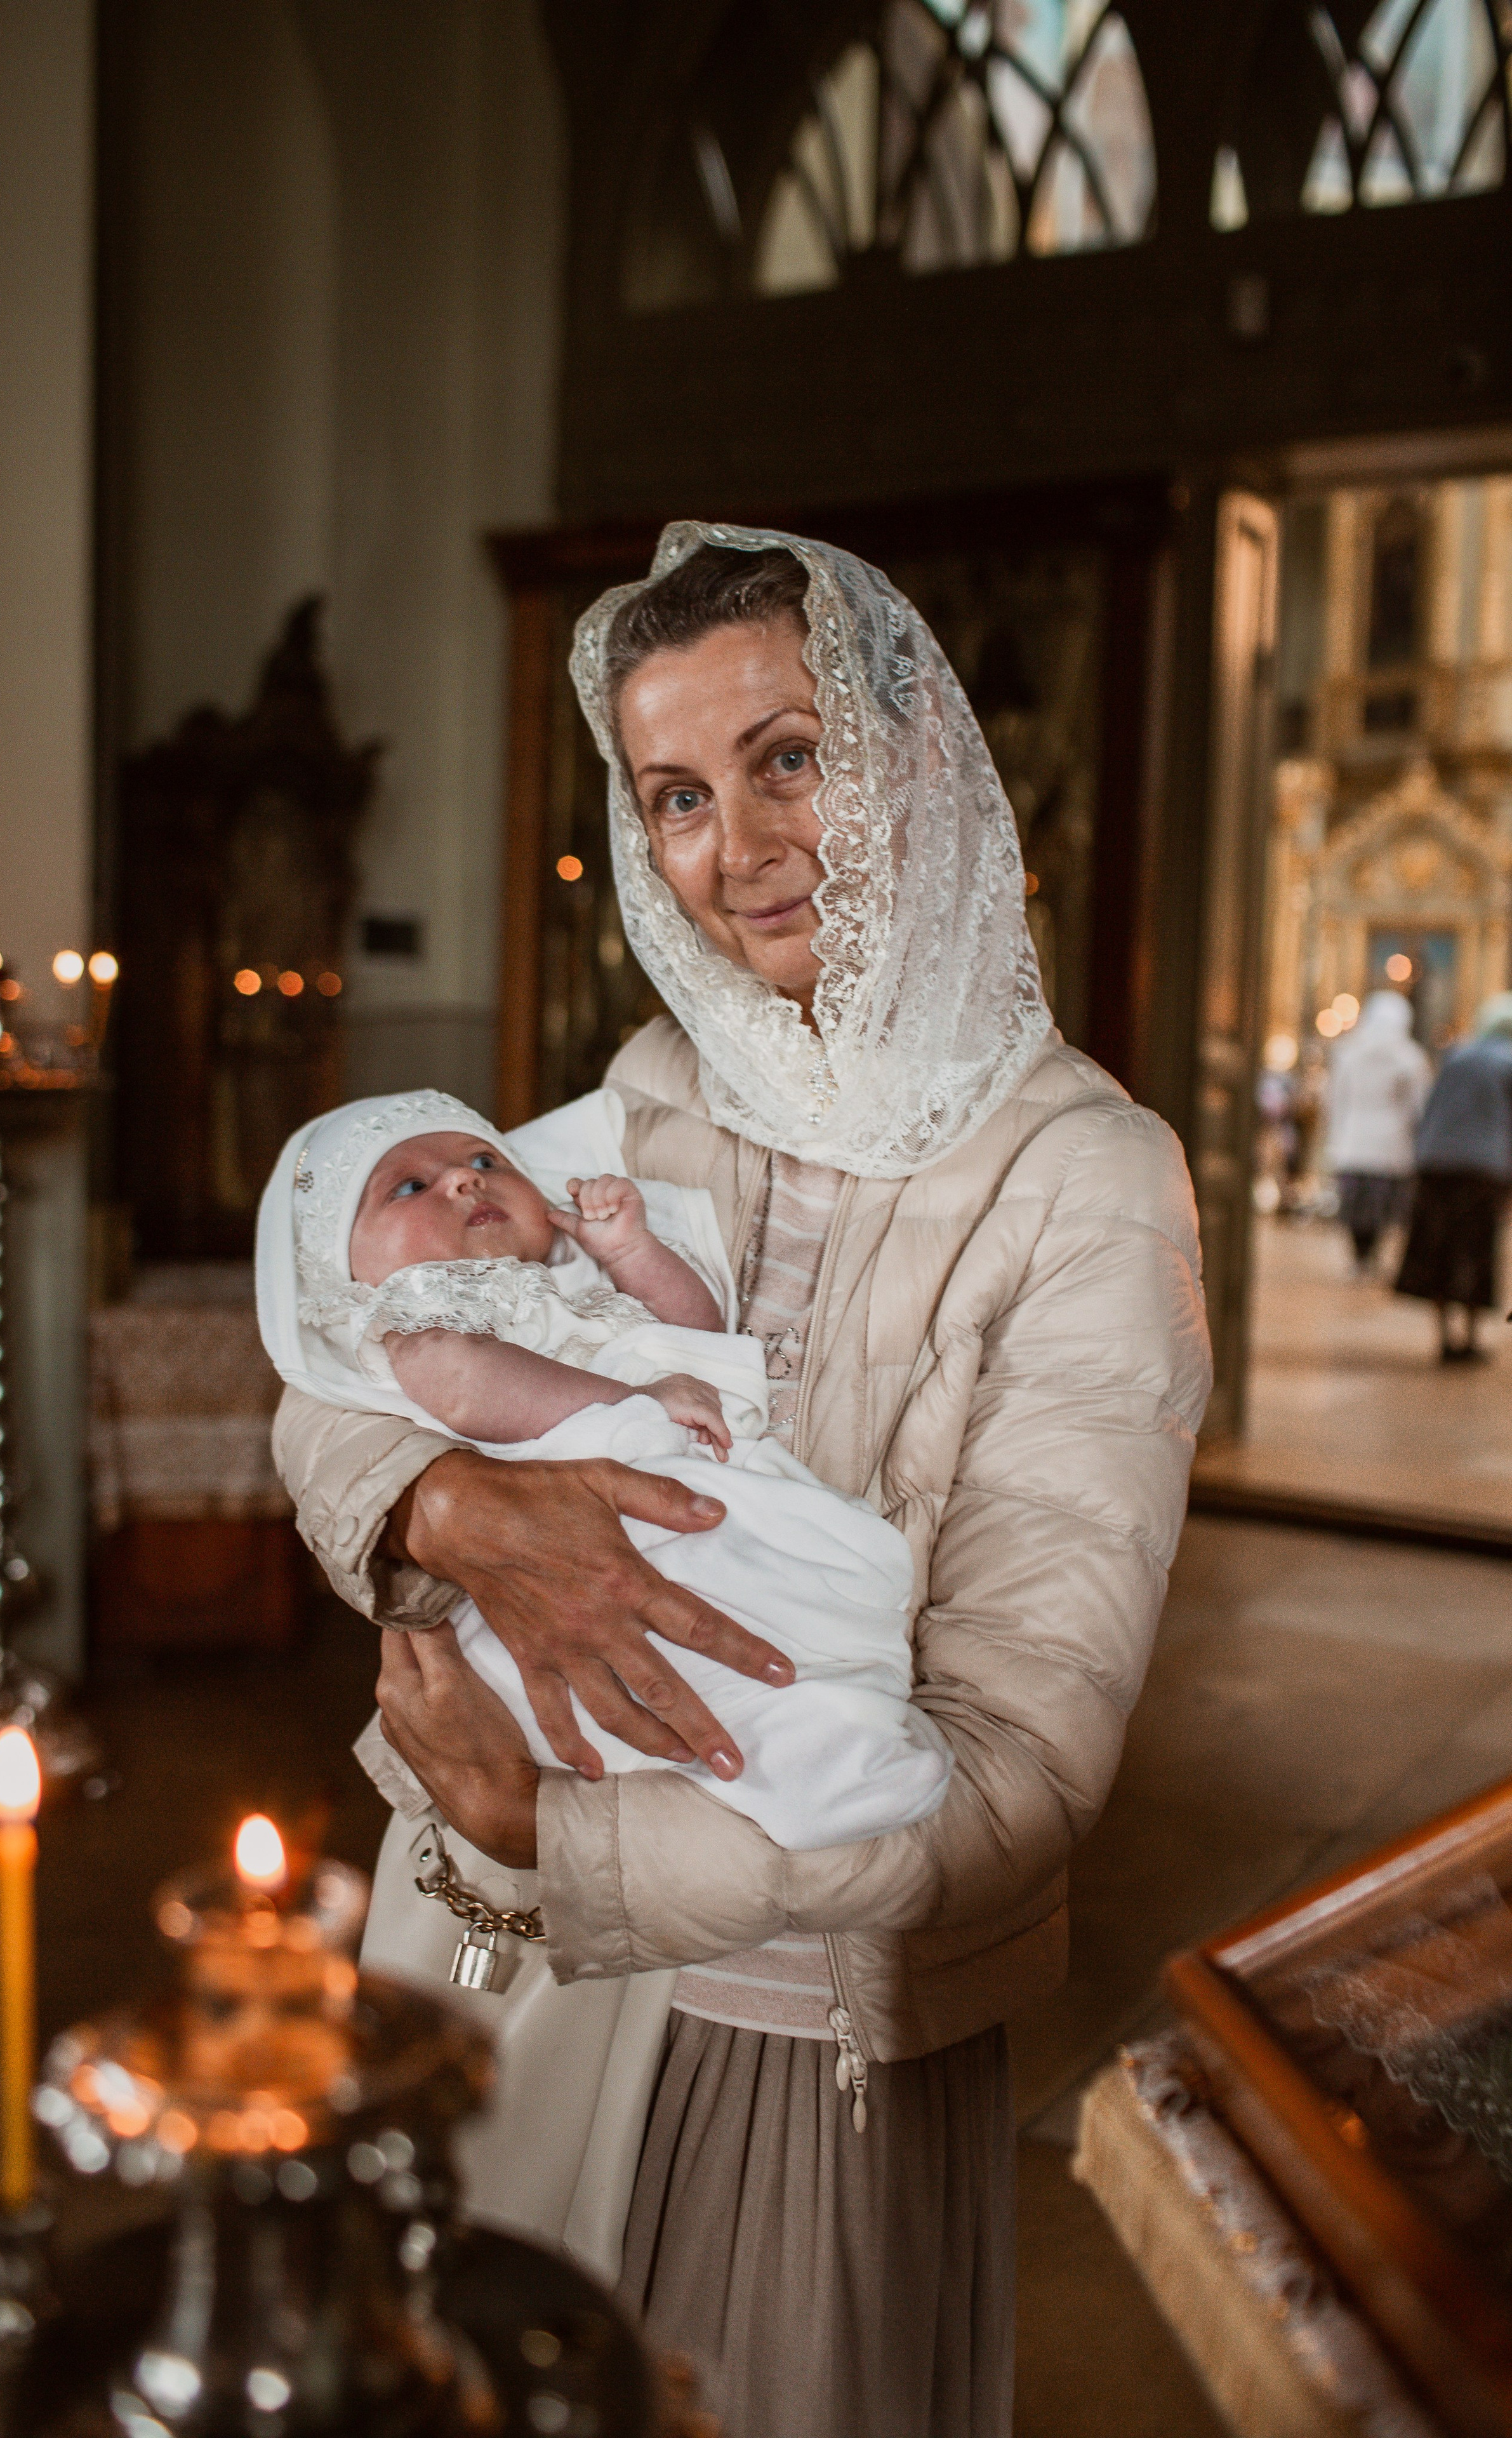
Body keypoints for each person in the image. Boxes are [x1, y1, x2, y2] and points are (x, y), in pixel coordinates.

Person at [271, 526, 1212, 2438]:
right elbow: (343, 1350)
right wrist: (448, 1507)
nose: (737, 847)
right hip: (495, 1943)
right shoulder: (653, 1083)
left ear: (915, 756)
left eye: (788, 759)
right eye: (675, 794)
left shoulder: (1085, 1178)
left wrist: (560, 1831)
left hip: (796, 2011)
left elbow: (1019, 1763)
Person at [255, 1088, 951, 1849]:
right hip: (568, 1527)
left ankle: (827, 1731)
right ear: (341, 1268)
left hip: (678, 1484)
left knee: (791, 1602)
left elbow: (698, 1343)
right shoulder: (409, 1321)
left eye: (485, 1159)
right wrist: (635, 1400)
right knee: (694, 1624)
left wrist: (628, 1255)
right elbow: (465, 1385)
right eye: (409, 1186)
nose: (464, 1179)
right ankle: (806, 1766)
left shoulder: (571, 1282)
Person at [1395, 993, 1512, 1362]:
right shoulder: (1508, 1062)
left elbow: (1430, 1109)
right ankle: (1471, 1337)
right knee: (1477, 1250)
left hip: (1437, 1165)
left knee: (1439, 1248)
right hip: (1484, 1170)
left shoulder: (1457, 1055)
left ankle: (1444, 1337)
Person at [1322, 989, 1431, 1270]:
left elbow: (1335, 1099)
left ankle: (1360, 1255)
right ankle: (1370, 1254)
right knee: (1381, 1206)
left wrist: (1334, 1137)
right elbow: (1419, 1105)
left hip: (1354, 1140)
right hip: (1391, 1144)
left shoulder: (1348, 1052)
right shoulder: (1411, 1058)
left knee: (1357, 1205)